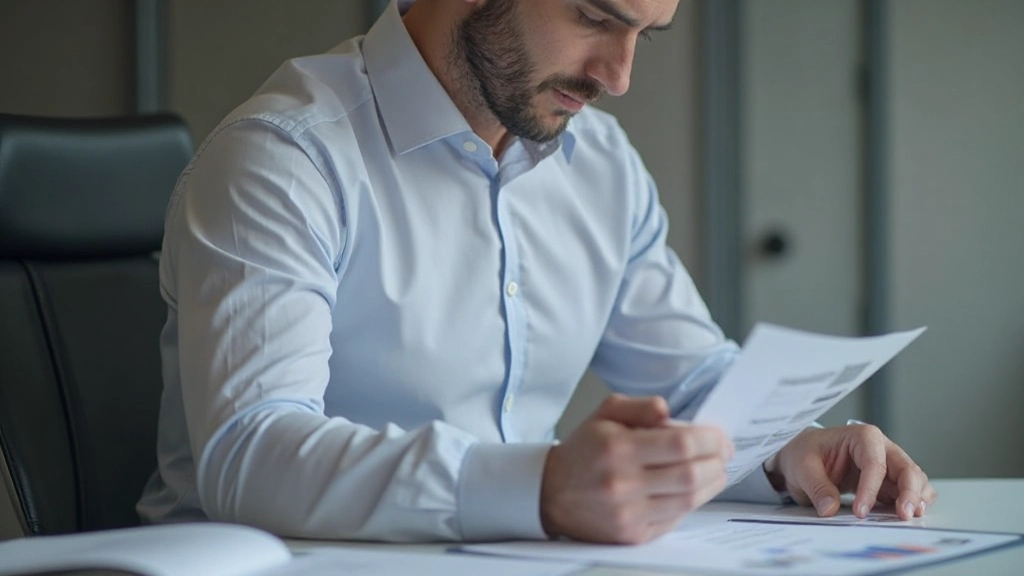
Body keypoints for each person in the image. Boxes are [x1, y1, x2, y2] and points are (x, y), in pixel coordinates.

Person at [138, 0, 936, 544]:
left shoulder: (602, 165)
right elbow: (251, 454)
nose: (618, 75)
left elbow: (693, 383)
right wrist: (543, 487)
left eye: (644, 33)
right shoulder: (286, 158)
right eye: (594, 15)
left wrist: (787, 449)